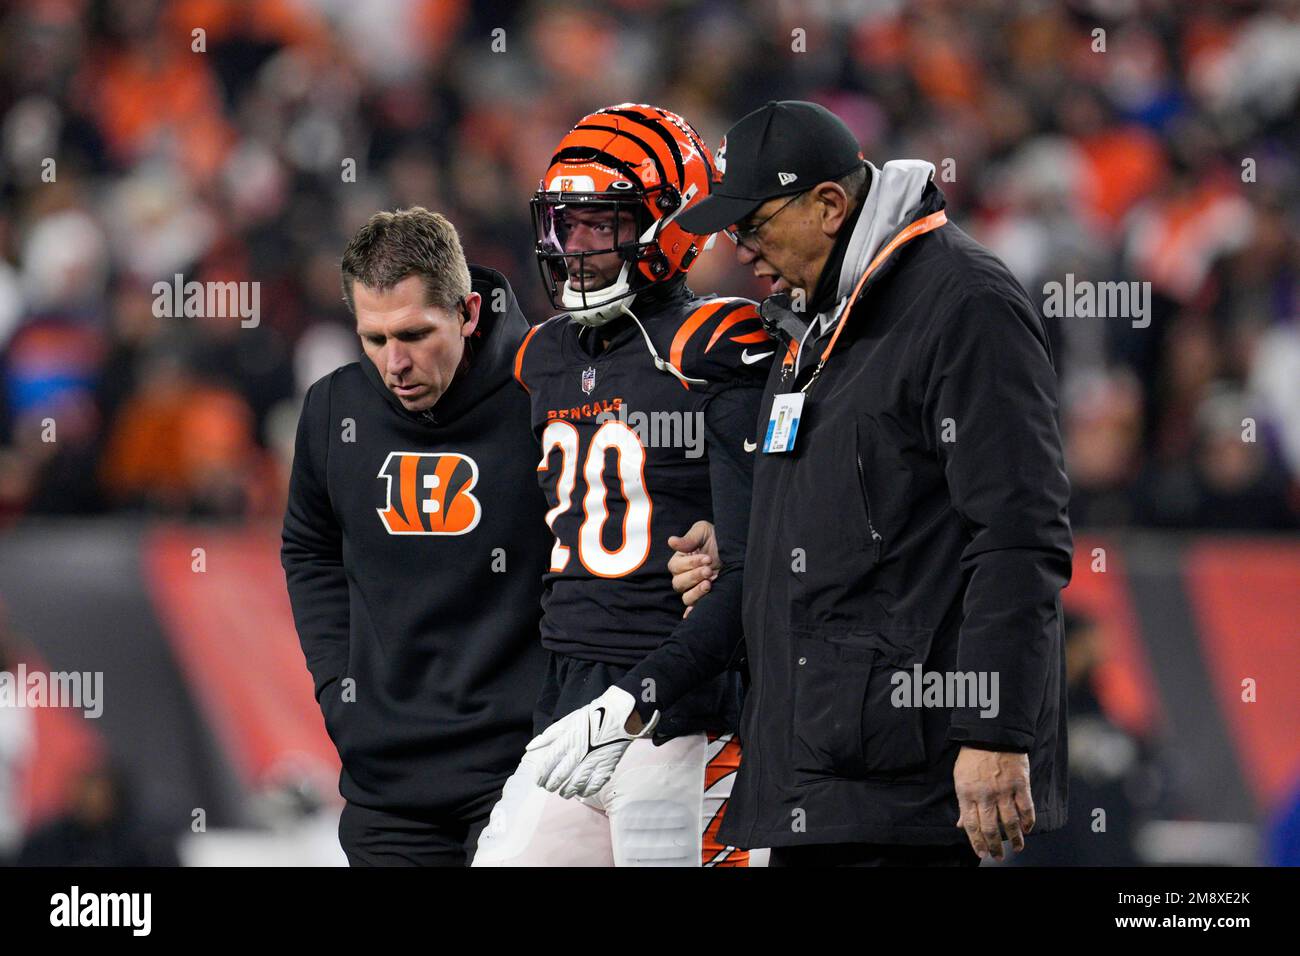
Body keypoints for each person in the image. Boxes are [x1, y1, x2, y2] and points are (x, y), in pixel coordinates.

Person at [538, 100, 1074, 867]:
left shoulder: (964, 302)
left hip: (909, 778)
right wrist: (742, 557)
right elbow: (862, 511)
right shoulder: (815, 315)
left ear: (828, 206)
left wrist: (994, 730)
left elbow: (1020, 532)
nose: (741, 251)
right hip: (818, 767)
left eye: (753, 226)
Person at [472, 104, 774, 867]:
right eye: (562, 224)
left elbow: (755, 561)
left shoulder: (714, 343)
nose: (572, 248)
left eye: (598, 224)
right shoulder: (537, 357)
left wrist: (641, 695)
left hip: (689, 709)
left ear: (669, 225)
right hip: (569, 704)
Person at [281, 207, 551, 866]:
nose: (393, 363)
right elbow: (308, 548)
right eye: (373, 339)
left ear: (467, 312)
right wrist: (337, 690)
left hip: (526, 774)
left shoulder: (549, 394)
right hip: (387, 785)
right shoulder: (333, 410)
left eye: (413, 333)